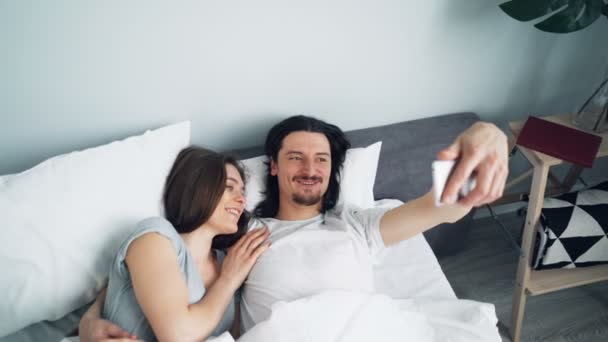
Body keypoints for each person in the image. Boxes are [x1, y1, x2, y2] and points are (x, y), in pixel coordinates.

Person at [81, 115, 508, 339]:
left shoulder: (359, 225)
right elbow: (159, 269)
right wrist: (90, 318)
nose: (309, 168)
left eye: (321, 159)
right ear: (274, 167)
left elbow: (445, 208)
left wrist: (486, 135)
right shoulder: (240, 237)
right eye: (295, 157)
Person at [79, 147, 270, 341]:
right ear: (198, 189)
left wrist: (88, 318)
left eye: (242, 191)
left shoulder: (229, 262)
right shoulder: (155, 236)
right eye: (229, 187)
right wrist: (228, 280)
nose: (242, 199)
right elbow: (178, 336)